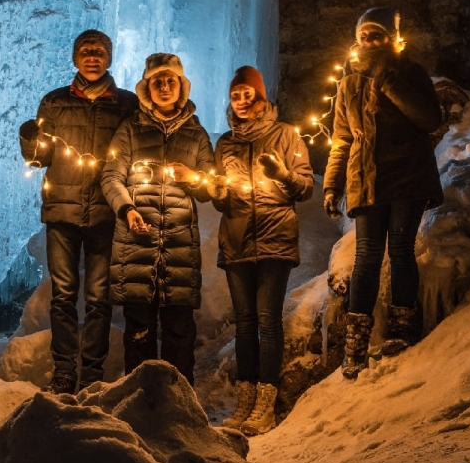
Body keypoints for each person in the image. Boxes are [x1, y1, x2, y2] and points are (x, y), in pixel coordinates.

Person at [323, 7, 444, 379]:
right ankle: (355, 343)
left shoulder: (409, 73)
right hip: (366, 180)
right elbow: (342, 139)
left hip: (406, 176)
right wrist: (332, 183)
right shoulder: (348, 84)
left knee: (401, 250)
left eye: (377, 35)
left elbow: (429, 119)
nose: (370, 41)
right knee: (367, 256)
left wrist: (388, 82)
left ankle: (400, 330)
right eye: (365, 36)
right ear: (357, 40)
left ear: (390, 37)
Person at [19, 29, 139, 395]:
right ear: (75, 58)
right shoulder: (54, 102)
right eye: (86, 51)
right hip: (62, 214)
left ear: (109, 58)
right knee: (64, 295)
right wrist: (28, 140)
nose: (92, 57)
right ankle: (64, 372)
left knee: (99, 298)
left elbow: (136, 154)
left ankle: (92, 373)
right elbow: (40, 158)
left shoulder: (126, 103)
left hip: (106, 212)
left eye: (99, 52)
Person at [210, 66, 314, 435]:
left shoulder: (285, 135)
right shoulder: (225, 143)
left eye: (247, 94)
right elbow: (221, 197)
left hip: (275, 237)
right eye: (235, 95)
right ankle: (246, 399)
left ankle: (266, 404)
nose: (240, 101)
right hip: (237, 239)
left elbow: (305, 187)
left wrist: (281, 173)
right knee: (245, 323)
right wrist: (217, 193)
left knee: (267, 320)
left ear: (260, 96)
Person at [101, 53, 215, 384]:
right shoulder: (130, 131)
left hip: (179, 247)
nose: (164, 87)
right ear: (147, 88)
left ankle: (179, 406)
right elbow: (111, 176)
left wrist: (193, 177)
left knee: (180, 331)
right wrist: (128, 209)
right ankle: (141, 402)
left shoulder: (196, 134)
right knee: (139, 330)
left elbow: (210, 188)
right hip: (136, 245)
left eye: (171, 81)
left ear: (181, 87)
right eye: (157, 82)